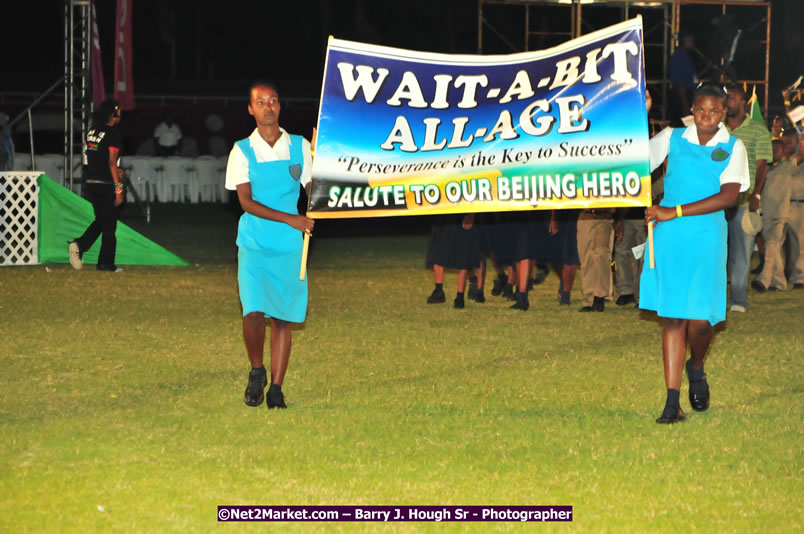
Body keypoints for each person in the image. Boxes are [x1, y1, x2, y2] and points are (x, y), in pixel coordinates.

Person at [640, 83, 749, 424]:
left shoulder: (733, 146)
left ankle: (696, 366)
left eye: (714, 111)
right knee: (673, 317)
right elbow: (632, 159)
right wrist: (640, 115)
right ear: (693, 108)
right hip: (670, 237)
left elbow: (728, 196)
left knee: (701, 322)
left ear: (724, 112)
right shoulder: (672, 137)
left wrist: (675, 211)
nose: (706, 117)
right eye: (700, 110)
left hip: (706, 238)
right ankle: (672, 402)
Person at [225, 81, 314, 409]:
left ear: (280, 106)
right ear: (251, 109)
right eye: (260, 102)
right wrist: (291, 218)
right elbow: (246, 202)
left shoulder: (300, 146)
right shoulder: (242, 150)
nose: (268, 106)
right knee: (253, 313)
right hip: (255, 243)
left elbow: (313, 191)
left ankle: (276, 388)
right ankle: (257, 370)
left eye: (273, 100)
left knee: (282, 318)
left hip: (290, 246)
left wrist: (324, 170)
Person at [724, 84, 772, 313]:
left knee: (741, 254)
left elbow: (762, 167)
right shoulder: (716, 130)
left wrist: (757, 194)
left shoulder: (758, 131)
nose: (727, 102)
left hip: (743, 202)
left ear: (743, 102)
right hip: (715, 202)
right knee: (714, 252)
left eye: (731, 98)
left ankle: (738, 300)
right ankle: (713, 298)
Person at [68, 99, 124, 272]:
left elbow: (88, 159)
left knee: (102, 221)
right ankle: (105, 264)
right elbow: (111, 162)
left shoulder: (91, 132)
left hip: (91, 182)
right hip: (106, 184)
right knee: (109, 227)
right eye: (119, 111)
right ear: (113, 115)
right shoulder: (112, 133)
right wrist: (119, 188)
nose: (121, 114)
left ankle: (79, 245)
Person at [752, 140, 792, 291]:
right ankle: (780, 283)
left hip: (780, 214)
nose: (774, 152)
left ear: (783, 151)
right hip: (766, 214)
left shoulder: (789, 165)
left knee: (772, 245)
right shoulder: (765, 168)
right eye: (772, 149)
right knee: (773, 249)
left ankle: (764, 279)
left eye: (777, 150)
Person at [425, 213, 481, 309]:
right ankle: (438, 291)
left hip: (463, 212)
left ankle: (460, 296)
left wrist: (471, 216)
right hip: (445, 213)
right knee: (438, 251)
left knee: (463, 254)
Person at [576, 208, 614, 312]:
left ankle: (599, 296)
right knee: (586, 258)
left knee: (601, 255)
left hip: (604, 216)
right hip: (586, 216)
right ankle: (589, 299)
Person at [668, 32, 698, 127]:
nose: (692, 43)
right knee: (683, 127)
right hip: (682, 98)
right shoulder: (679, 57)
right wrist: (685, 105)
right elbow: (680, 84)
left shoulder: (686, 56)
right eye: (690, 40)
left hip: (687, 96)